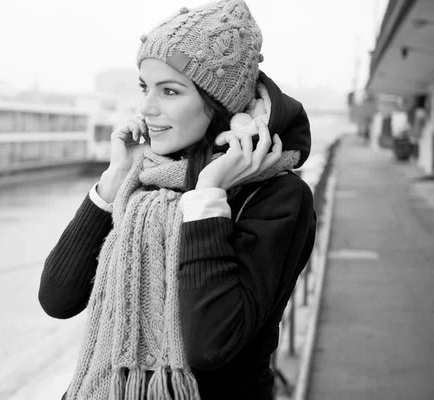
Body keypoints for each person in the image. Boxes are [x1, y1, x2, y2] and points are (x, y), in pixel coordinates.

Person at [39, 0, 316, 398]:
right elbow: (58, 299)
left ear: (220, 104)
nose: (147, 108)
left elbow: (209, 344)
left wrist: (207, 199)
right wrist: (113, 181)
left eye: (169, 91)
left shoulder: (276, 196)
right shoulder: (144, 177)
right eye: (144, 87)